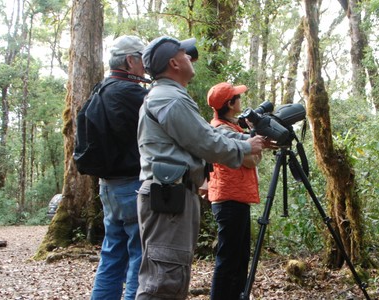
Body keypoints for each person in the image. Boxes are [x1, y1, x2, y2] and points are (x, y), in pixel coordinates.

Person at [135, 36, 269, 300]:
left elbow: (206, 132)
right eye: (185, 54)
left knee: (171, 276)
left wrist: (250, 140)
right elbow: (205, 141)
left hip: (174, 194)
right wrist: (245, 148)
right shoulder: (169, 99)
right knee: (163, 281)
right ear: (174, 63)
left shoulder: (171, 96)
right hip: (168, 196)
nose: (190, 57)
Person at [90, 35, 149, 300]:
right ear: (130, 60)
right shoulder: (131, 93)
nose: (146, 66)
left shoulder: (101, 89)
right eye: (142, 58)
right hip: (131, 184)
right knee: (140, 254)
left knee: (112, 252)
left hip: (108, 185)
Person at [205, 82, 262, 300]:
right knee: (229, 259)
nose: (240, 99)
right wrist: (253, 151)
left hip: (236, 197)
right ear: (230, 103)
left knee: (239, 259)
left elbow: (253, 157)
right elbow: (250, 160)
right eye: (237, 97)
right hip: (229, 199)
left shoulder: (232, 127)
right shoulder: (222, 129)